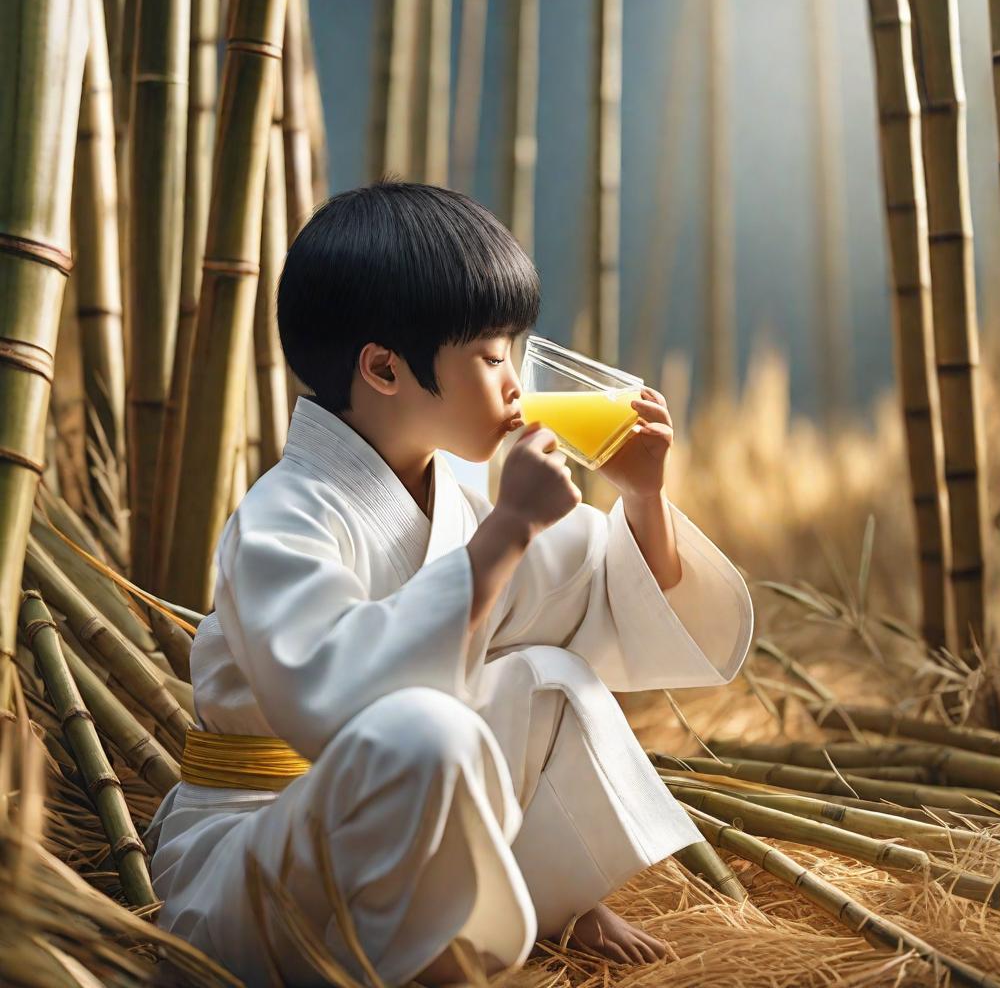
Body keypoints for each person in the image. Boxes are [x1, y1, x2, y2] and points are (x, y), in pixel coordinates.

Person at [145, 181, 754, 987]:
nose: (515, 383)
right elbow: (334, 701)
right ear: (385, 368)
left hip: (392, 827)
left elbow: (605, 601)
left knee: (549, 681)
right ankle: (442, 957)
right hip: (263, 863)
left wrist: (640, 491)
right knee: (429, 735)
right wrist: (507, 534)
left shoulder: (461, 498)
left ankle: (550, 895)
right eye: (493, 357)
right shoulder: (281, 520)